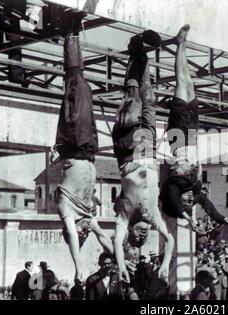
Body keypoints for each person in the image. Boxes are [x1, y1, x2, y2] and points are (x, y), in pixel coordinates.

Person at [54, 9, 113, 293]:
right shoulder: (87, 218)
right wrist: (120, 260)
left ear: (71, 231)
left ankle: (70, 31)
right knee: (83, 88)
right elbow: (103, 237)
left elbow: (75, 242)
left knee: (76, 84)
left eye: (81, 233)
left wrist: (78, 267)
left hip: (73, 145)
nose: (86, 231)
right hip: (87, 151)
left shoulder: (67, 213)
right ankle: (71, 32)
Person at [112, 28, 174, 286]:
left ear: (129, 233)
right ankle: (142, 52)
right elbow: (169, 239)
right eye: (143, 238)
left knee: (132, 97)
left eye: (137, 237)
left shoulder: (125, 217)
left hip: (129, 150)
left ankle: (134, 51)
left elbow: (116, 240)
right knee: (148, 98)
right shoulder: (153, 218)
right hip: (148, 148)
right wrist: (165, 263)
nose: (143, 235)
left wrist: (120, 265)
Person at [159, 24, 228, 232]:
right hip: (191, 134)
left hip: (179, 135)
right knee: (189, 84)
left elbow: (173, 203)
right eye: (191, 201)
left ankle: (180, 44)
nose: (191, 199)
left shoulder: (173, 186)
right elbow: (207, 205)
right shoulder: (193, 187)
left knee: (181, 83)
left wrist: (188, 220)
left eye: (187, 201)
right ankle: (181, 44)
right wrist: (219, 219)